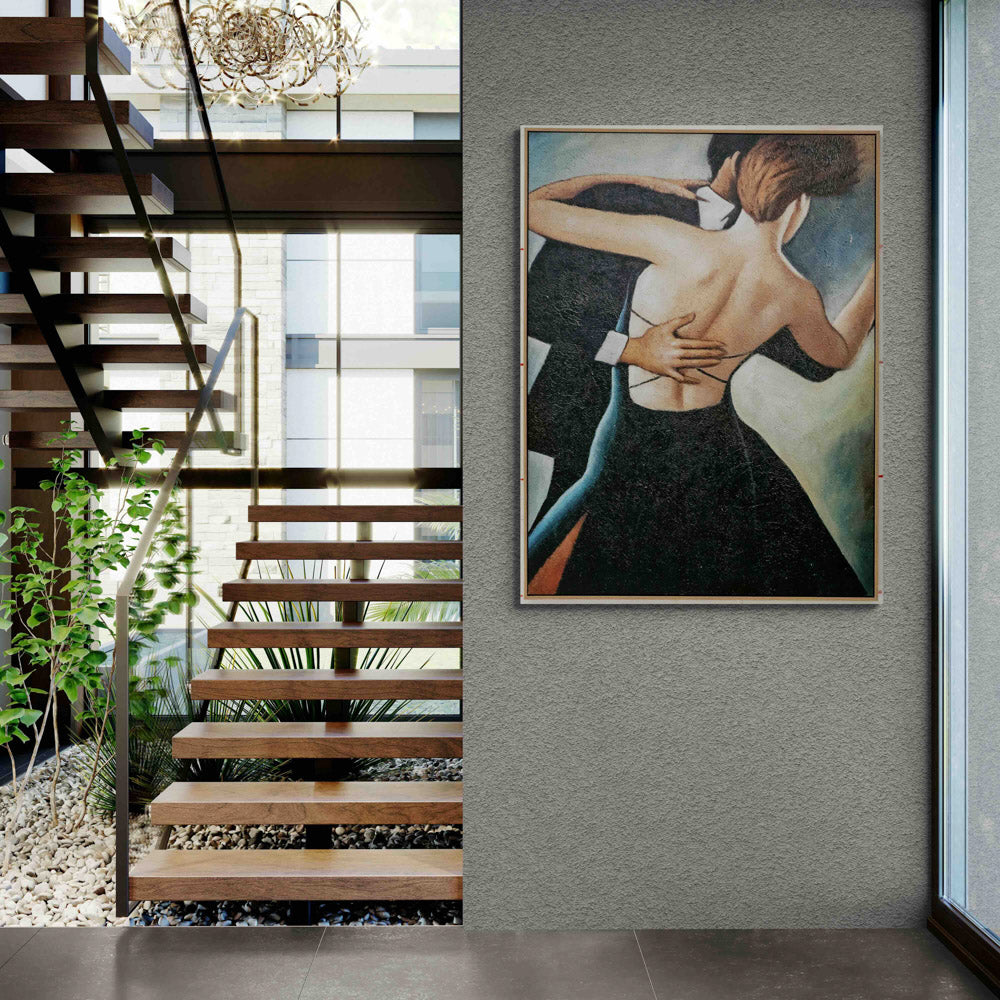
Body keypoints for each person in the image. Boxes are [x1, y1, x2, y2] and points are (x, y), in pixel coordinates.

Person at [526, 133, 875, 598]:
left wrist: (644, 181)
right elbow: (839, 353)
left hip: (633, 434)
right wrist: (877, 279)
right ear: (798, 204)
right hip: (709, 441)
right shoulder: (794, 293)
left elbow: (532, 207)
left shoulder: (672, 241)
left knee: (573, 559)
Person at [526, 134, 762, 534]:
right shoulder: (630, 203)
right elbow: (541, 308)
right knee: (566, 536)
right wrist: (632, 350)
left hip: (699, 436)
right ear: (737, 161)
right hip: (594, 415)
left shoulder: (768, 245)